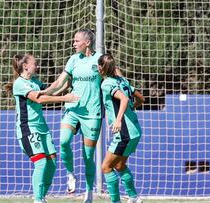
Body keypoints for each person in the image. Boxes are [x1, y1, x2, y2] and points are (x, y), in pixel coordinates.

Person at [37, 28, 102, 203]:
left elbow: (114, 77)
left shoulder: (100, 59)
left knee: (88, 156)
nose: (73, 44)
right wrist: (43, 92)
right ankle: (71, 174)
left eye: (76, 41)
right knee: (64, 141)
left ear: (87, 42)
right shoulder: (73, 59)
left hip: (92, 113)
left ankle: (89, 193)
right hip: (72, 109)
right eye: (73, 41)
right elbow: (59, 83)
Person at [5, 54, 79, 203]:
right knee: (41, 162)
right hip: (28, 129)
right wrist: (65, 98)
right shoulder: (19, 84)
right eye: (35, 64)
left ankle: (42, 197)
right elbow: (39, 98)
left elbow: (53, 91)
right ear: (25, 66)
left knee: (51, 163)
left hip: (43, 129)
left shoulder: (35, 82)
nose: (37, 66)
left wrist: (69, 80)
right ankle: (38, 200)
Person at [97, 54, 144, 203]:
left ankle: (115, 201)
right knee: (119, 164)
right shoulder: (123, 81)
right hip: (135, 130)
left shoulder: (106, 84)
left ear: (100, 68)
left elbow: (123, 99)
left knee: (106, 167)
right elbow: (141, 99)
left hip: (125, 132)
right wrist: (130, 109)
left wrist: (118, 120)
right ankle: (133, 197)